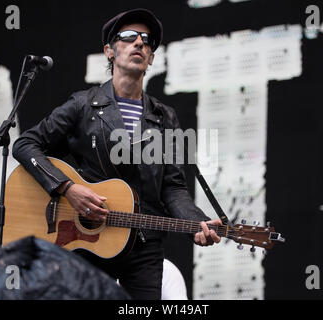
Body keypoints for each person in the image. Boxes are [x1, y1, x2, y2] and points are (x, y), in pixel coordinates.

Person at [12, 8, 221, 300]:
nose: (139, 43)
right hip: (86, 241)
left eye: (147, 41)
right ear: (109, 51)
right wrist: (67, 188)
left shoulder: (165, 117)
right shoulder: (83, 105)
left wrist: (196, 221)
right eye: (128, 37)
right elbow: (24, 145)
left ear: (151, 58)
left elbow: (173, 186)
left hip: (144, 244)